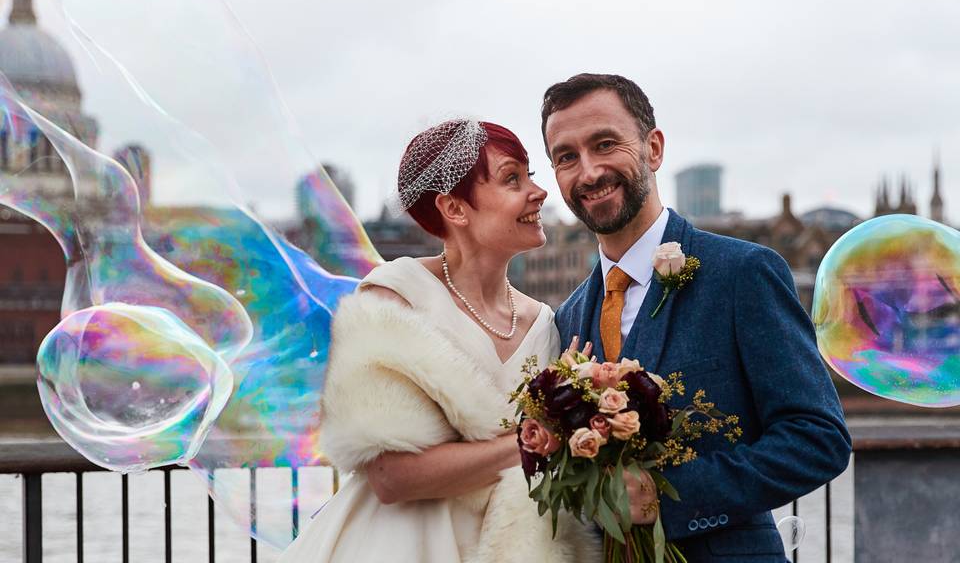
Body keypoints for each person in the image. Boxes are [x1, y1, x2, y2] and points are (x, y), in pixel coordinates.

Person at [542, 74, 852, 562]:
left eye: (605, 144)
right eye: (566, 156)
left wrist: (665, 494)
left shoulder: (742, 273)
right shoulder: (567, 319)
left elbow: (819, 439)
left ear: (654, 148)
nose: (589, 171)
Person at [279, 119, 599, 563]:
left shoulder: (543, 322)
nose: (538, 192)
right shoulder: (395, 296)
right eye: (512, 179)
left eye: (531, 176)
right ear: (455, 209)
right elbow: (392, 477)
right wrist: (536, 437)